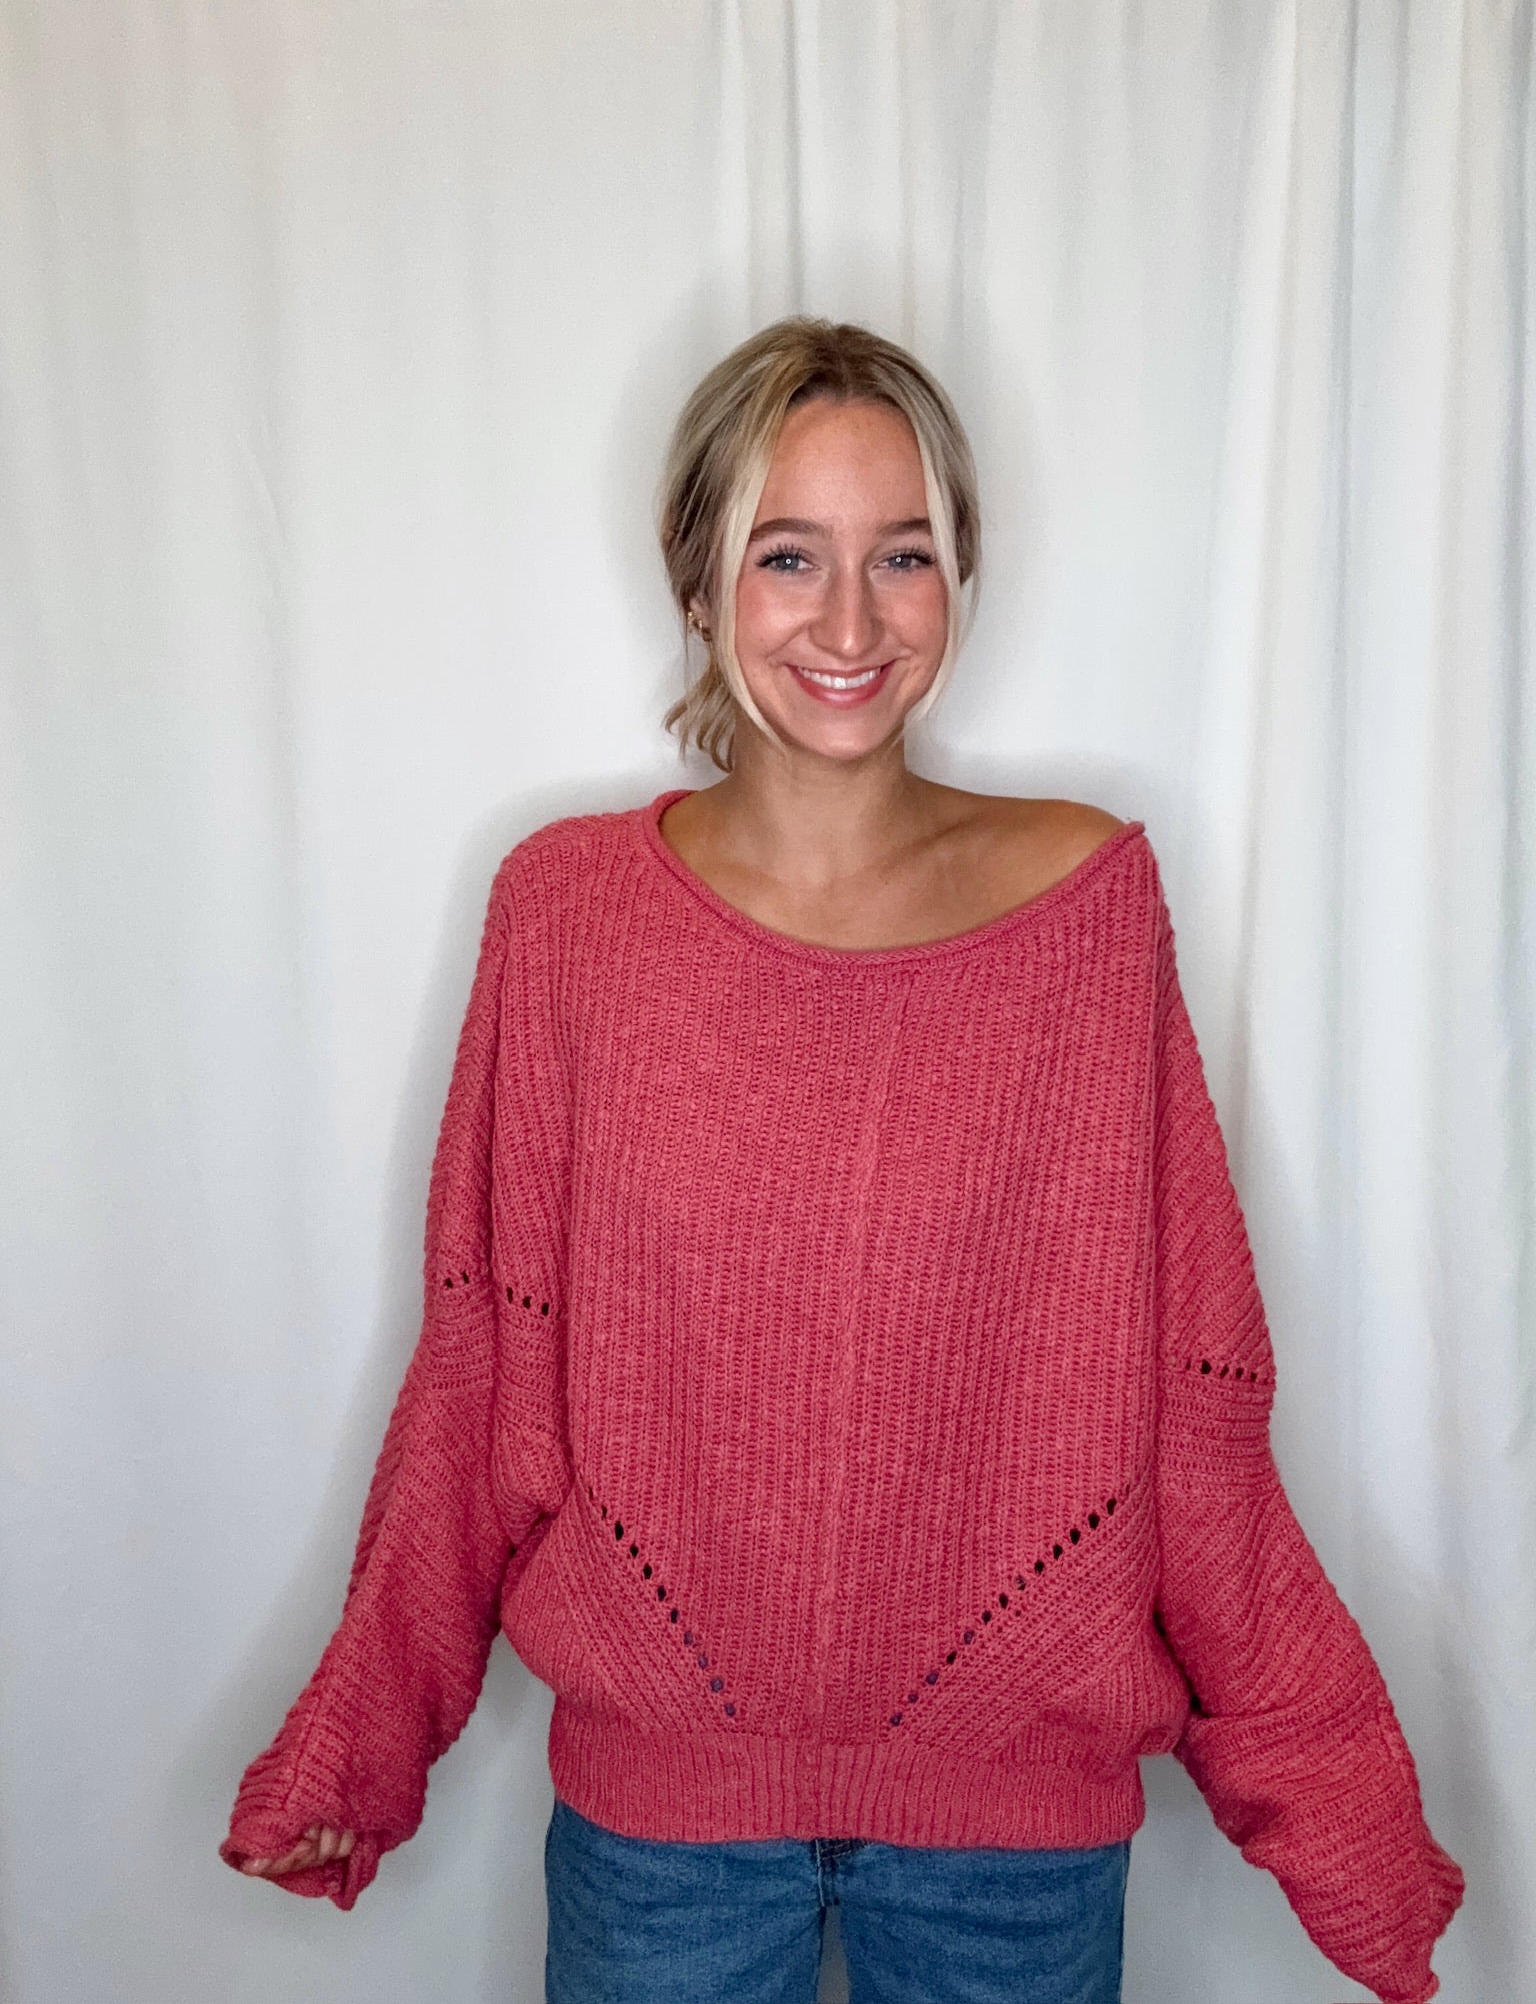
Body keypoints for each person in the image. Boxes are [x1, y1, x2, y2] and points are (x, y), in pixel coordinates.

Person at [220, 317, 1464, 2004]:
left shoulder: (1086, 905)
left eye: (906, 556)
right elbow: (485, 1373)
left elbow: (1194, 1400)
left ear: (963, 575)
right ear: (698, 579)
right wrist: (359, 1744)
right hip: (658, 1833)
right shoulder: (567, 915)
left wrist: (1341, 1820)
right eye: (789, 555)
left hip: (1016, 1840)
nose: (853, 623)